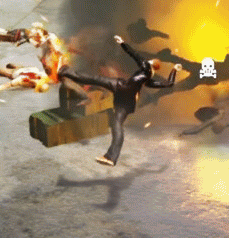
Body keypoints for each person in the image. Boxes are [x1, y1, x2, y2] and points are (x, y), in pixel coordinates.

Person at [58, 35, 178, 166]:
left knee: (94, 79)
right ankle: (111, 157)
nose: (147, 61)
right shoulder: (148, 79)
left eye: (149, 61)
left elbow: (134, 55)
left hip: (120, 87)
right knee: (117, 124)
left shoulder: (146, 66)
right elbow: (169, 83)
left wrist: (122, 43)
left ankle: (65, 71)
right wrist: (174, 70)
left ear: (151, 63)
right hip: (127, 100)